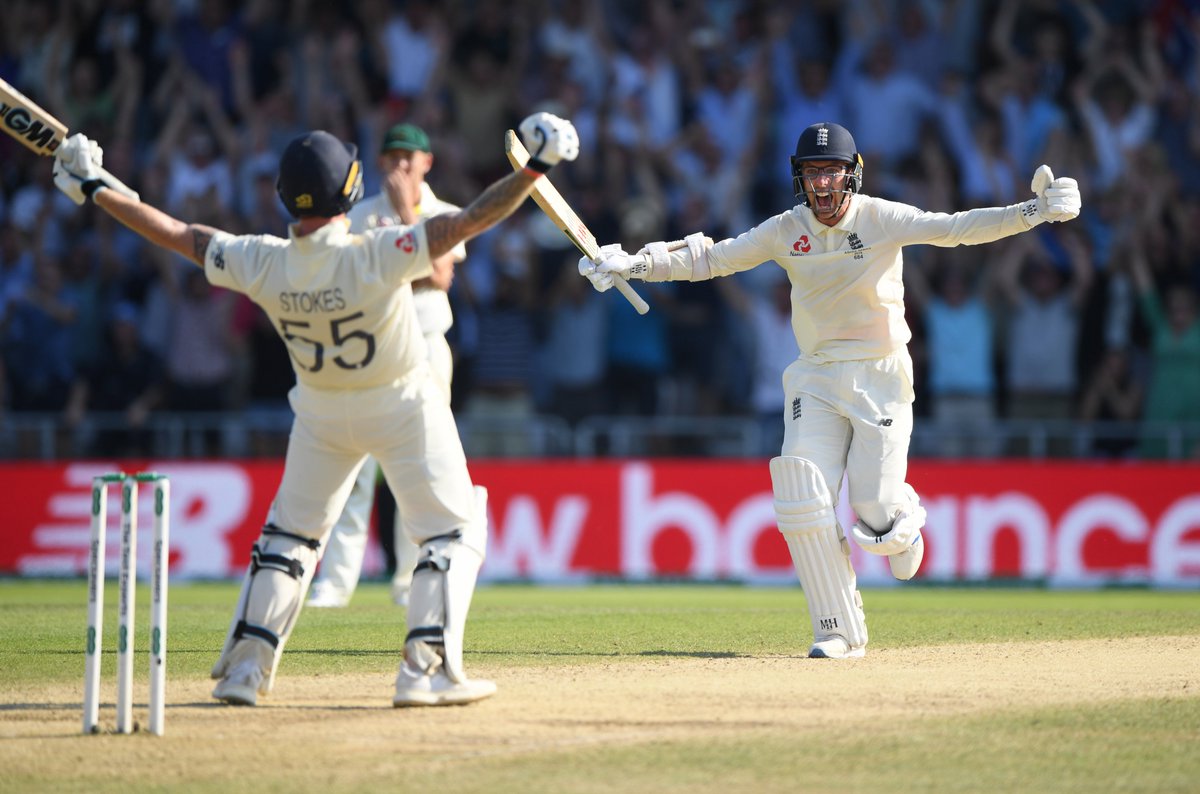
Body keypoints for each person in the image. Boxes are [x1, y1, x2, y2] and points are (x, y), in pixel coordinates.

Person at [52, 110, 580, 704]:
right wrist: (537, 166)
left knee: (290, 538)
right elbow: (473, 218)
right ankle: (422, 671)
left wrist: (97, 188)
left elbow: (174, 233)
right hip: (401, 401)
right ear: (352, 190)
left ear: (283, 196)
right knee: (452, 531)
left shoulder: (263, 260)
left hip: (321, 415)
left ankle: (246, 673)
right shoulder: (376, 253)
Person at [579, 121, 1080, 659]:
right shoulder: (786, 229)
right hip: (815, 374)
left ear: (852, 174)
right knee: (800, 489)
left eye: (832, 172)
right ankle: (836, 628)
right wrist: (635, 262)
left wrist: (1036, 212)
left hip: (880, 374)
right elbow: (713, 257)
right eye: (812, 173)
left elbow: (956, 227)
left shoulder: (881, 218)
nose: (822, 185)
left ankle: (900, 521)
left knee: (873, 508)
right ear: (800, 178)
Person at [307, 123, 469, 610]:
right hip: (370, 350)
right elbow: (351, 282)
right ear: (380, 161)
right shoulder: (356, 215)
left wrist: (405, 215)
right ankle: (335, 585)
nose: (400, 166)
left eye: (409, 158)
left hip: (423, 346)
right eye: (393, 157)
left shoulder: (443, 214)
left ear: (427, 163)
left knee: (417, 468)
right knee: (355, 469)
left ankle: (408, 580)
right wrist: (398, 264)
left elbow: (438, 277)